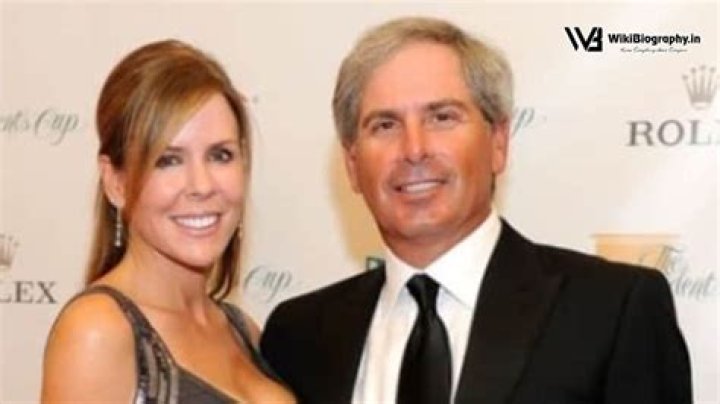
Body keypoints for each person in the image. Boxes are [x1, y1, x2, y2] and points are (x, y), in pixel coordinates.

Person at [260, 16, 691, 404]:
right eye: (385, 125)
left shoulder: (611, 310)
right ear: (353, 165)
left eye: (442, 117)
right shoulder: (298, 335)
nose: (414, 149)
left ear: (498, 141)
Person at [42, 40, 295, 404]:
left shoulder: (242, 331)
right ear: (116, 182)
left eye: (220, 155)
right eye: (168, 160)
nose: (202, 185)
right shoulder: (97, 332)